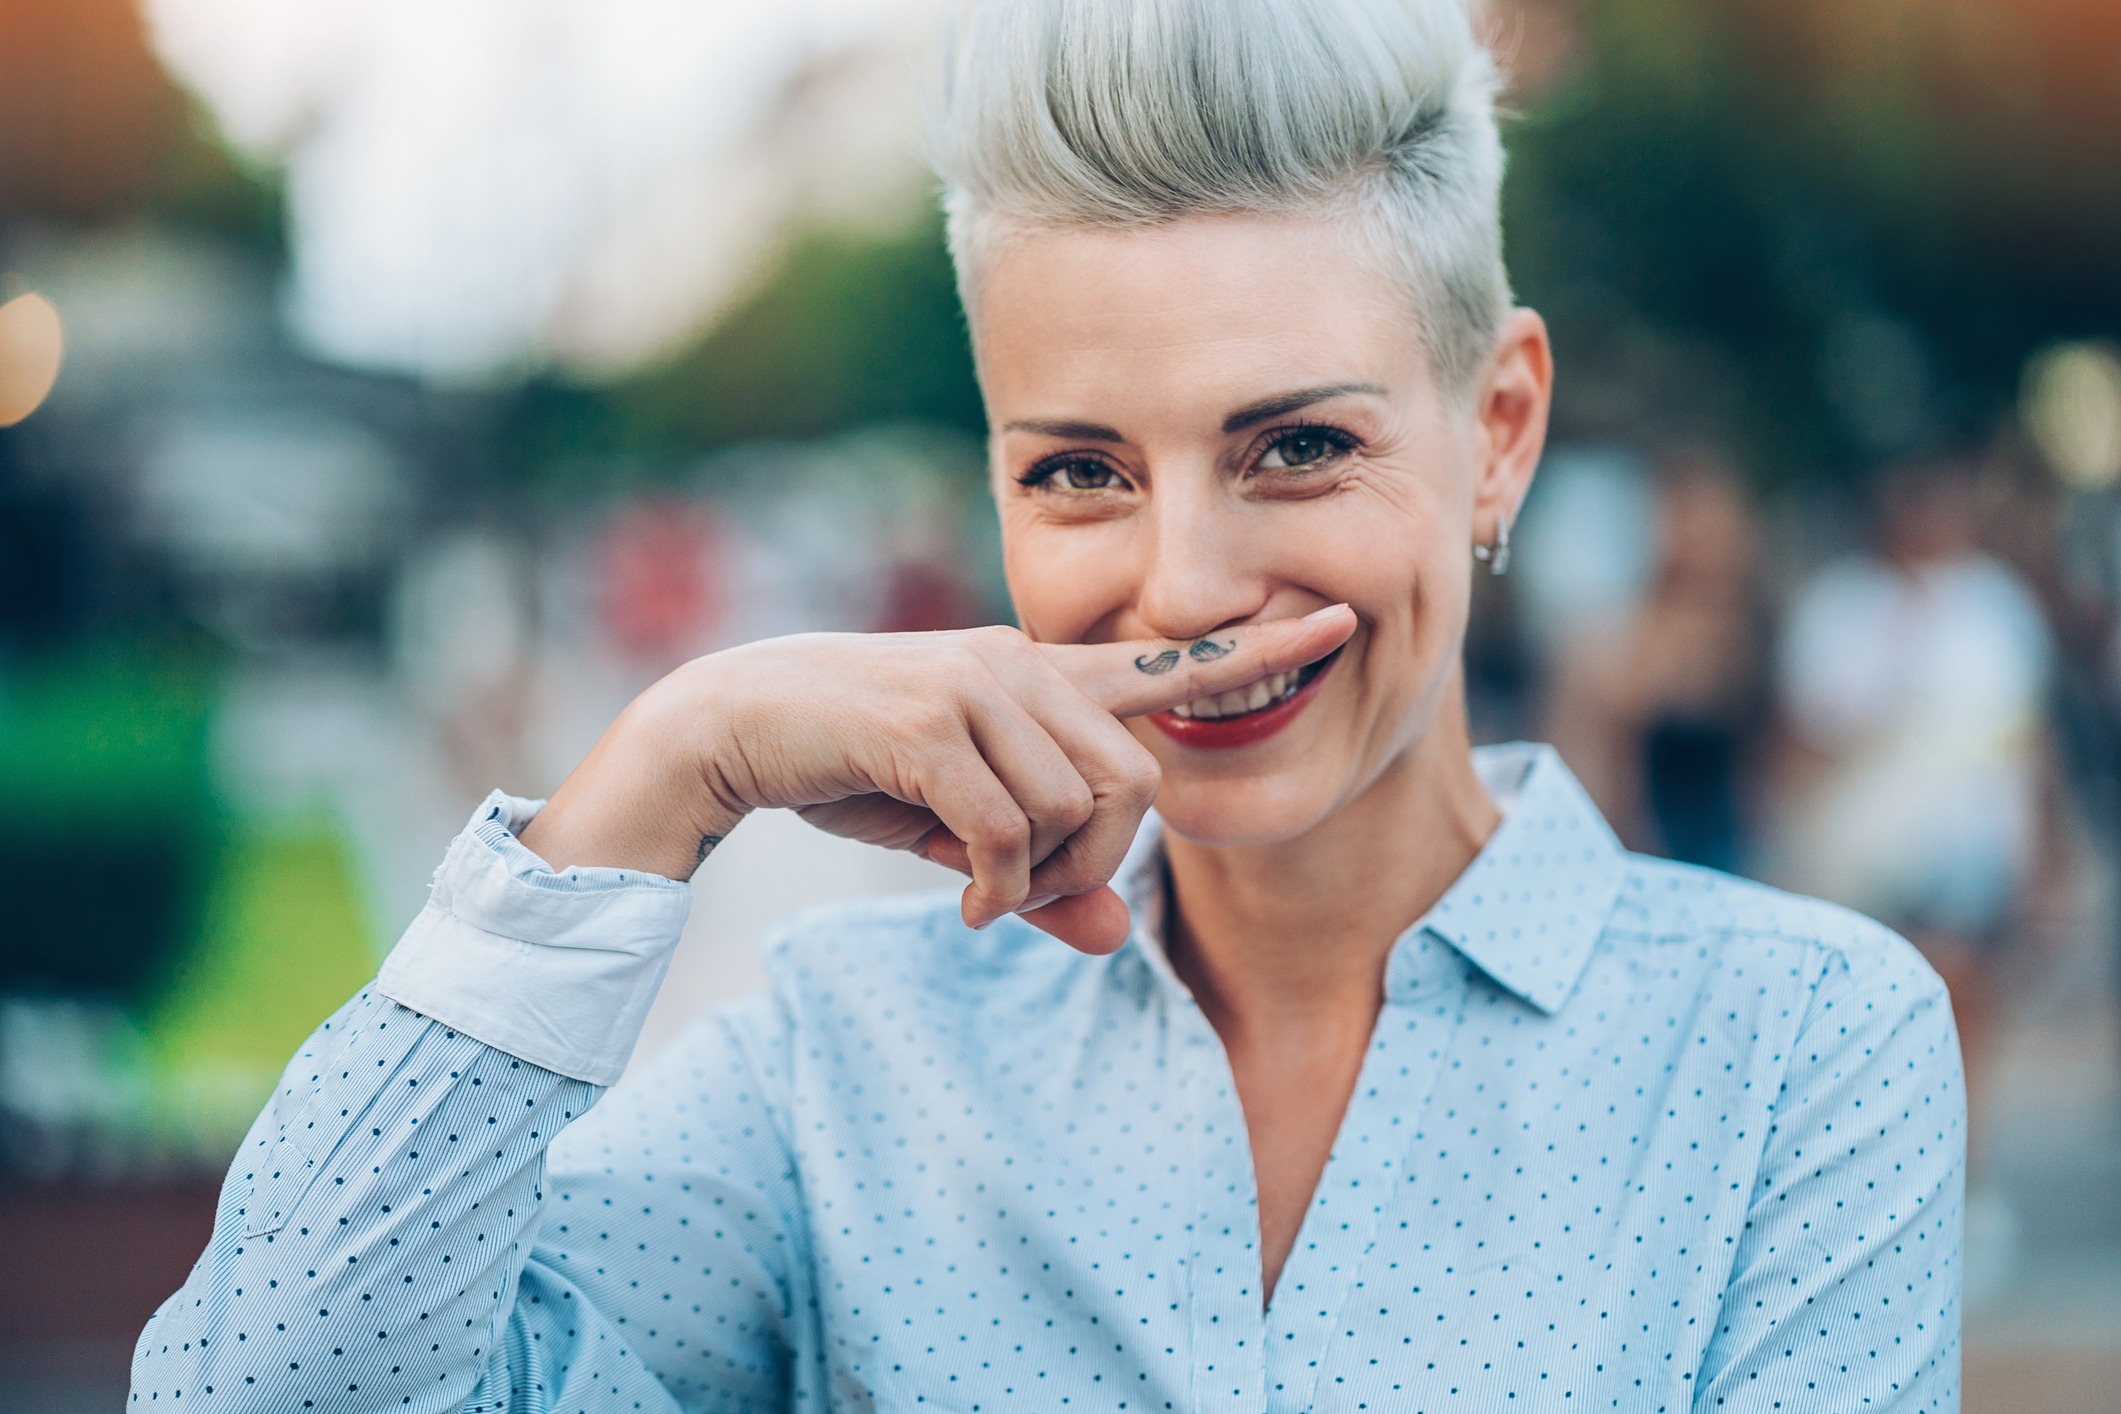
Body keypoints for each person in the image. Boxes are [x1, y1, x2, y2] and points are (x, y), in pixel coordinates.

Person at [132, 2, 1962, 1409]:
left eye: (1301, 444)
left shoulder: (1793, 1048)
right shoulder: (849, 1058)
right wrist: (664, 761)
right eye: (1080, 471)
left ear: (1497, 430)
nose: (1179, 580)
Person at [1544, 450, 1772, 875]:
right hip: (1645, 839)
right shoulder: (1627, 631)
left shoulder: (1752, 627)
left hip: (1729, 843)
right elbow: (1609, 753)